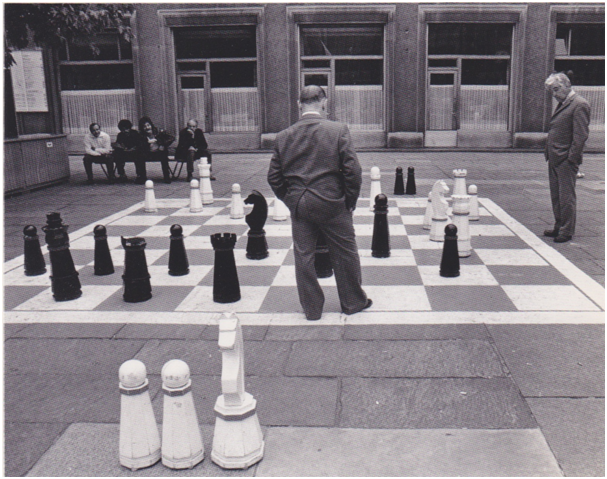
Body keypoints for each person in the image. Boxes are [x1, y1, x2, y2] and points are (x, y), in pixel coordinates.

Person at [267, 85, 372, 320]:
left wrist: (291, 199)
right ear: (324, 103)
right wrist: (350, 200)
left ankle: (312, 310)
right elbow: (353, 171)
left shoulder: (284, 136)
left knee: (304, 256)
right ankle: (353, 302)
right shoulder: (337, 130)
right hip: (333, 203)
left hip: (300, 204)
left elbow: (273, 177)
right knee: (345, 253)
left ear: (298, 104)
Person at [543, 72, 591, 243]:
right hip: (555, 156)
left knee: (566, 197)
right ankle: (559, 225)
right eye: (552, 91)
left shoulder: (579, 104)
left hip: (565, 158)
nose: (554, 95)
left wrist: (572, 158)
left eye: (556, 90)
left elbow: (581, 135)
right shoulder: (565, 103)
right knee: (556, 195)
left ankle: (566, 230)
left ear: (566, 85)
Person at [136, 116, 175, 184]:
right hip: (147, 153)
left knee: (164, 154)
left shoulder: (158, 132)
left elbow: (171, 138)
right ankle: (142, 177)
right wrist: (147, 143)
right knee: (139, 156)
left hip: (158, 152)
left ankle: (166, 176)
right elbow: (139, 146)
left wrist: (162, 144)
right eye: (144, 126)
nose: (147, 127)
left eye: (148, 125)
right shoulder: (140, 135)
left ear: (151, 125)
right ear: (142, 128)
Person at [111, 119, 139, 183]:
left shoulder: (135, 133)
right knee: (117, 154)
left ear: (129, 128)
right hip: (124, 153)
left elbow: (138, 144)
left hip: (134, 152)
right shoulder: (120, 135)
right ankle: (122, 174)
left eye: (126, 128)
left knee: (138, 155)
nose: (125, 131)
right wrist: (120, 146)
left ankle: (139, 175)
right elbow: (118, 143)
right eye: (122, 129)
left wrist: (132, 148)